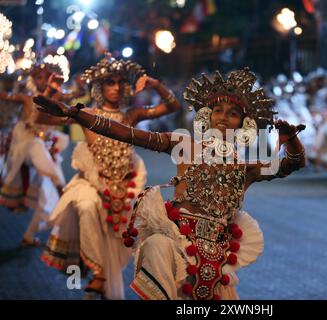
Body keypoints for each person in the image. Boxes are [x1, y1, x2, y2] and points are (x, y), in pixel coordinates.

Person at [33, 67, 306, 300]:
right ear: (207, 117)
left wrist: (291, 139)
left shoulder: (247, 166)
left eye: (233, 113)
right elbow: (128, 134)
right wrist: (77, 114)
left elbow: (292, 164)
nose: (223, 116)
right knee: (155, 246)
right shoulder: (183, 144)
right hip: (176, 241)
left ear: (243, 124)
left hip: (217, 256)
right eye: (218, 110)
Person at [39, 54, 181, 300]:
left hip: (125, 190)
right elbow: (42, 117)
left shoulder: (132, 115)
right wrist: (54, 93)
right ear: (99, 86)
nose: (116, 87)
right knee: (84, 205)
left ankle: (103, 279)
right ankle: (98, 272)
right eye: (109, 82)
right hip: (93, 184)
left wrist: (155, 85)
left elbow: (172, 107)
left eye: (120, 82)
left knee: (119, 246)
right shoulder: (86, 113)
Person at [0, 61, 73, 247]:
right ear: (33, 78)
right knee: (35, 144)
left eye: (46, 76)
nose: (42, 80)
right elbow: (7, 95)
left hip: (47, 151)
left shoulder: (58, 97)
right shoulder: (27, 98)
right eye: (39, 77)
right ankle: (58, 182)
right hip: (26, 149)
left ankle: (29, 236)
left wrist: (81, 86)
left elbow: (76, 94)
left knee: (47, 198)